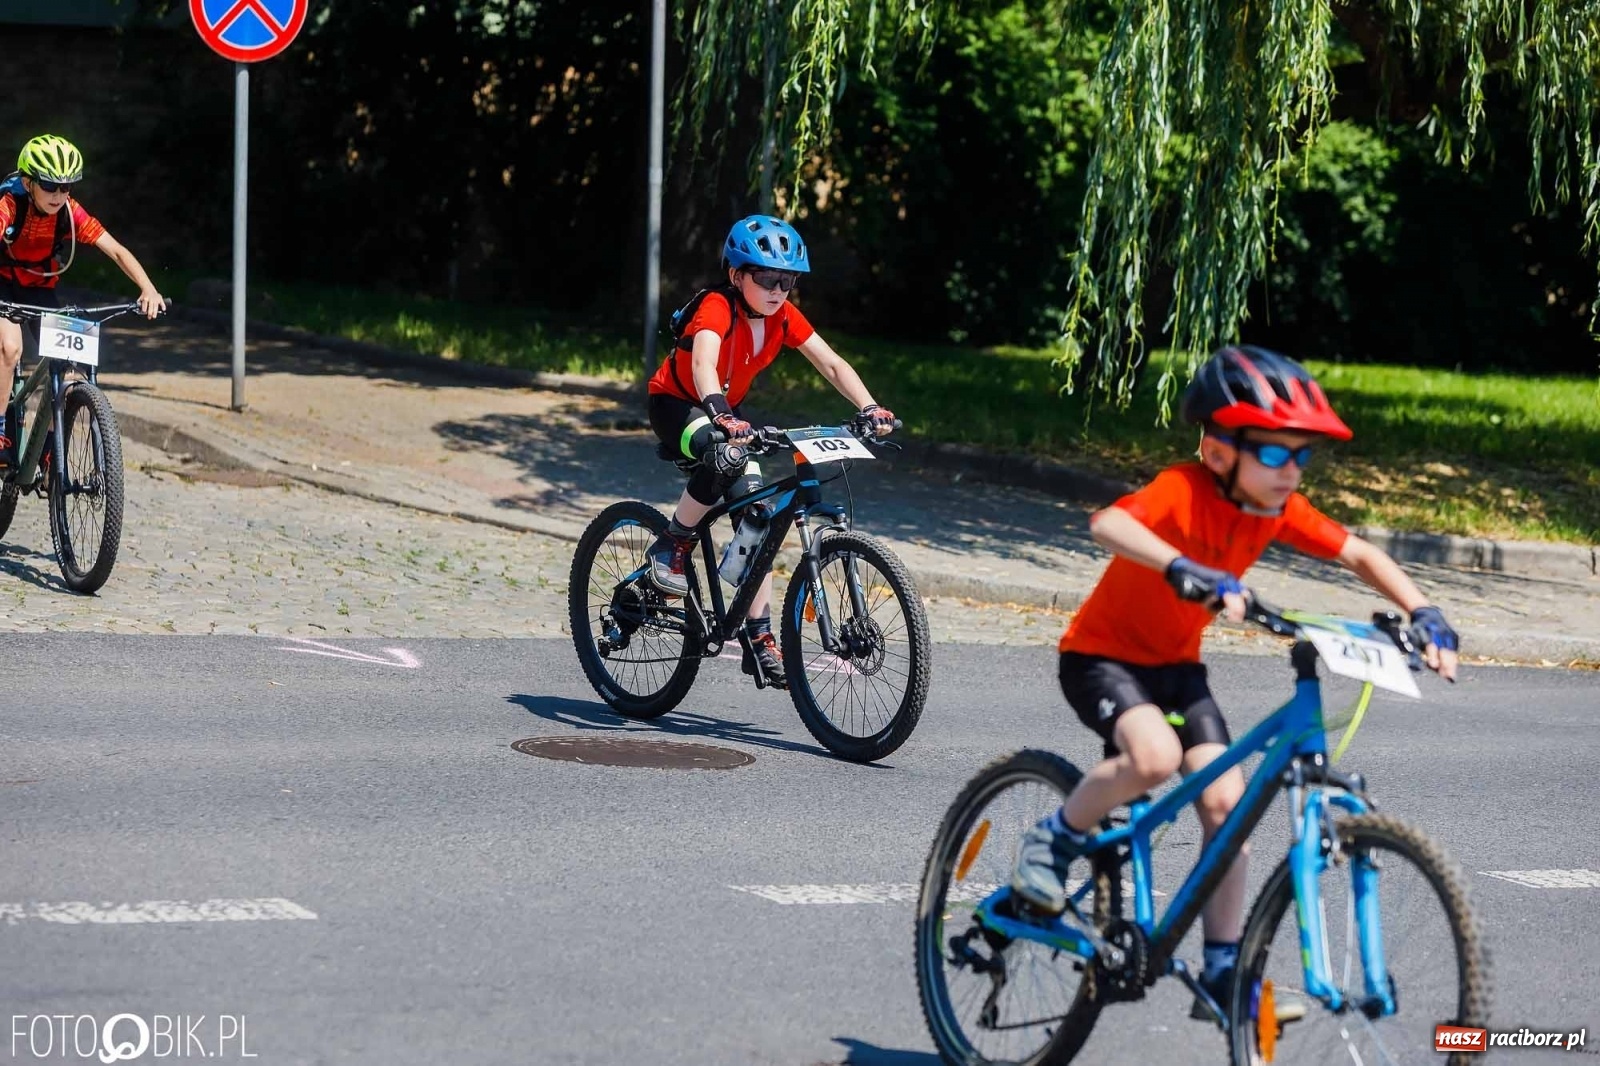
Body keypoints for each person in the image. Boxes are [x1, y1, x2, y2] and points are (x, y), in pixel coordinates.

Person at [1009, 344, 1460, 1017]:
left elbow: (1360, 552)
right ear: (1221, 450)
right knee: (1154, 758)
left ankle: (1224, 971)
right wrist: (1179, 566)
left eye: (1302, 455)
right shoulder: (1182, 488)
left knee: (1228, 809)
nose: (1292, 471)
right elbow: (1108, 522)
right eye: (1276, 454)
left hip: (1178, 672)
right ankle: (1051, 842)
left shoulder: (1276, 508)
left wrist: (1423, 612)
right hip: (1102, 658)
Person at [644, 214, 897, 688]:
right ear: (738, 275)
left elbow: (831, 362)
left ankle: (758, 639)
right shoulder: (718, 306)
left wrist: (870, 407)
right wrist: (720, 414)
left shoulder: (782, 316)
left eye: (788, 280)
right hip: (678, 405)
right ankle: (671, 547)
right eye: (767, 278)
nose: (779, 289)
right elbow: (702, 365)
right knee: (724, 455)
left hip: (725, 413)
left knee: (757, 516)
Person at [0, 134, 167, 455]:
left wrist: (148, 288)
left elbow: (116, 250)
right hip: (4, 285)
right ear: (27, 181)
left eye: (66, 187)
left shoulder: (68, 211)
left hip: (39, 289)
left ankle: (50, 452)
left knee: (70, 373)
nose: (59, 195)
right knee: (9, 349)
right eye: (50, 186)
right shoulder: (10, 204)